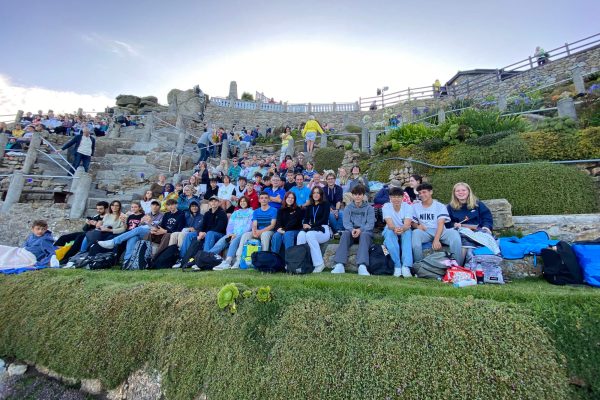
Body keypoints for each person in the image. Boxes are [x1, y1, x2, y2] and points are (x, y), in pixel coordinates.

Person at [411, 183, 463, 265]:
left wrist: (436, 240)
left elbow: (441, 224)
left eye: (424, 192)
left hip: (440, 231)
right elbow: (412, 222)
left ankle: (457, 266)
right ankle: (418, 265)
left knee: (454, 234)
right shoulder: (415, 206)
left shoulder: (440, 206)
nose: (421, 195)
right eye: (420, 193)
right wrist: (417, 226)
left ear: (431, 192)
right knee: (415, 233)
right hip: (425, 231)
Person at [97, 200, 163, 262]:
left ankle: (113, 242)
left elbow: (159, 227)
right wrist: (141, 222)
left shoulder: (162, 215)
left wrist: (151, 222)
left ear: (159, 207)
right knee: (133, 237)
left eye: (157, 205)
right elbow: (140, 225)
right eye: (153, 205)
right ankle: (127, 260)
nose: (154, 207)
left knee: (138, 229)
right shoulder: (147, 214)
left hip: (152, 233)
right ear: (150, 206)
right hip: (140, 232)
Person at [331, 185, 374, 275]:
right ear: (352, 196)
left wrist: (360, 230)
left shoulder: (369, 208)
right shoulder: (348, 208)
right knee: (345, 234)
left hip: (364, 232)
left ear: (363, 196)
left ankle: (362, 265)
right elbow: (346, 223)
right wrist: (352, 230)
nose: (357, 196)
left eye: (360, 194)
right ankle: (340, 264)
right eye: (355, 194)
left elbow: (370, 224)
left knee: (365, 235)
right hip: (351, 232)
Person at [446, 182, 494, 255]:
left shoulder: (478, 204)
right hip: (460, 233)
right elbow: (447, 222)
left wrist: (486, 227)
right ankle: (460, 265)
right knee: (464, 246)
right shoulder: (450, 207)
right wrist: (454, 224)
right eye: (458, 191)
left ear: (468, 191)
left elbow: (487, 217)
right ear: (454, 193)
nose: (461, 192)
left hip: (478, 231)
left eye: (463, 190)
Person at [233, 192, 277, 268]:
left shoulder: (274, 210)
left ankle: (263, 260)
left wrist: (260, 232)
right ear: (259, 200)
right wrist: (254, 232)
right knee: (245, 235)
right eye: (262, 198)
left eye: (266, 198)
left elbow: (272, 225)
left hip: (269, 231)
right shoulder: (256, 211)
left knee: (265, 234)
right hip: (257, 231)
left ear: (269, 200)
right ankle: (239, 260)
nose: (264, 200)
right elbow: (254, 224)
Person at [211, 197, 254, 270]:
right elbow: (230, 225)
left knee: (234, 241)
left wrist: (236, 234)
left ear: (248, 202)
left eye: (244, 201)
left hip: (243, 234)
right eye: (241, 201)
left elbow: (249, 226)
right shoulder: (236, 212)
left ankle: (228, 262)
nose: (242, 203)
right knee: (220, 242)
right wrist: (230, 234)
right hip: (232, 234)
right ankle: (206, 257)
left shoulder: (251, 212)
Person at [297, 187, 331, 273]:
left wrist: (311, 226)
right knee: (301, 234)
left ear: (321, 195)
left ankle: (319, 264)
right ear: (311, 195)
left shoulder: (326, 204)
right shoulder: (310, 206)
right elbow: (306, 218)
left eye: (318, 193)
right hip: (311, 229)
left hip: (323, 230)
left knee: (309, 234)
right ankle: (300, 263)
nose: (315, 194)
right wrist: (305, 224)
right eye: (314, 193)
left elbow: (324, 219)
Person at [382, 187, 414, 278]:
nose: (396, 199)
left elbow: (407, 224)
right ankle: (397, 266)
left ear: (403, 197)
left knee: (407, 234)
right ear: (390, 198)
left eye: (399, 197)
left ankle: (406, 266)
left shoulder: (408, 207)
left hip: (405, 228)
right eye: (394, 197)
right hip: (391, 228)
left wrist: (402, 229)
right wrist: (394, 229)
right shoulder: (386, 206)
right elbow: (389, 223)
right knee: (389, 234)